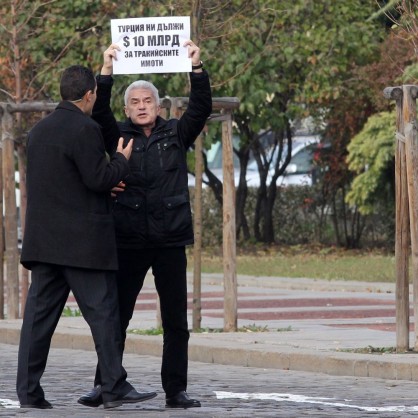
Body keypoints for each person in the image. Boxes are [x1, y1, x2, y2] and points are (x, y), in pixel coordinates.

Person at [77, 40, 212, 409]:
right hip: (129, 238)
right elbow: (98, 110)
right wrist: (106, 70)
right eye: (134, 102)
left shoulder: (176, 134)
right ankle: (105, 384)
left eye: (147, 101)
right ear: (127, 108)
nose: (141, 106)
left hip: (170, 239)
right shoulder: (117, 135)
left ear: (158, 106)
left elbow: (201, 108)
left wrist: (196, 69)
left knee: (176, 322)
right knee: (115, 317)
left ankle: (176, 390)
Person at [16, 65, 157, 410]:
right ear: (90, 94)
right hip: (83, 246)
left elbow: (63, 182)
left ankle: (29, 393)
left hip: (44, 244)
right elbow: (97, 178)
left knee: (38, 322)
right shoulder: (86, 128)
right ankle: (113, 387)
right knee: (104, 316)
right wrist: (121, 161)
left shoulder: (38, 131)